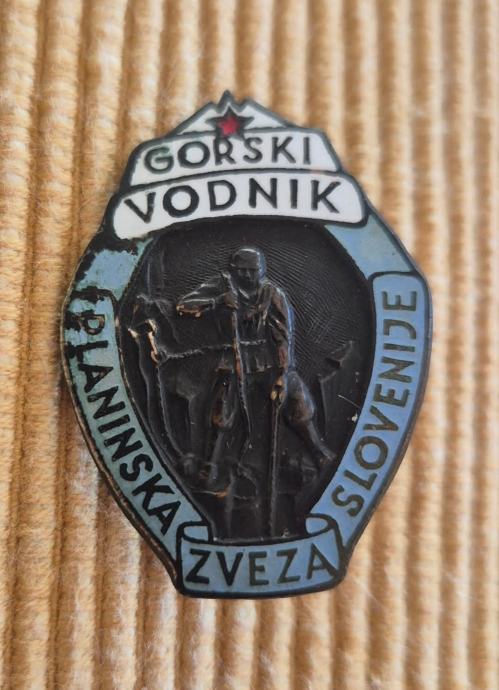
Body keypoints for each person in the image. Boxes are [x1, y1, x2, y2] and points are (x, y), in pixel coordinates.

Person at [176, 246, 333, 537]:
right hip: (233, 359)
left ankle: (318, 451)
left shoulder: (272, 294)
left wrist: (282, 375)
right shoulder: (221, 286)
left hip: (268, 361)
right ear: (234, 270)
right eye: (243, 271)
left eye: (253, 271)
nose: (248, 276)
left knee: (296, 399)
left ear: (261, 271)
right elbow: (184, 306)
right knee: (222, 408)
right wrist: (216, 303)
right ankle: (209, 465)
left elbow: (283, 336)